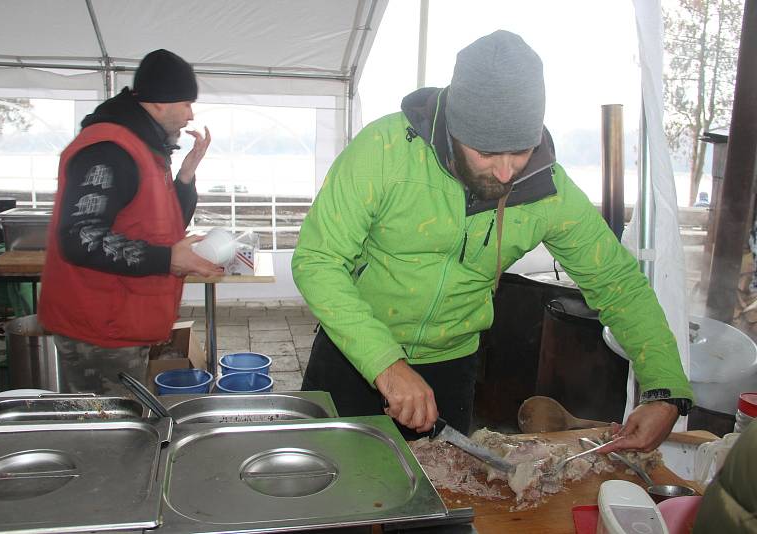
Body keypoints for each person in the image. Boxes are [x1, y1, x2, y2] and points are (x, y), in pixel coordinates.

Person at [292, 31, 693, 452]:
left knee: (436, 506)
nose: (505, 174)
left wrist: (664, 388)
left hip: (449, 366)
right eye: (486, 152)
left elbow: (618, 282)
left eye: (520, 150)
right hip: (351, 352)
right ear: (453, 128)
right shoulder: (385, 150)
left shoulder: (547, 190)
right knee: (328, 497)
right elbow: (318, 261)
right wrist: (386, 365)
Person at [38, 49, 222, 396]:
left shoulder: (146, 147)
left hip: (121, 321)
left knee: (125, 424)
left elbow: (167, 225)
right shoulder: (109, 150)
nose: (190, 114)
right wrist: (168, 260)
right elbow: (80, 238)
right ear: (158, 103)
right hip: (98, 330)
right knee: (107, 434)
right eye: (185, 103)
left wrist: (185, 176)